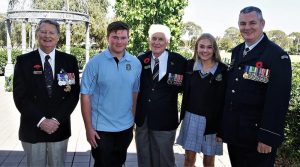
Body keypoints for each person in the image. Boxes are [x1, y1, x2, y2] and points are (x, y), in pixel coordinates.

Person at [221, 6, 292, 166]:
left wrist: (267, 137)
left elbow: (278, 101)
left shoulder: (276, 56)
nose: (247, 27)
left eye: (252, 23)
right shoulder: (237, 51)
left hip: (258, 137)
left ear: (262, 23)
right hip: (236, 134)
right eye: (242, 23)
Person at [13, 19, 80, 167]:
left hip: (59, 127)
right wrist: (41, 121)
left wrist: (55, 120)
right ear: (37, 35)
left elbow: (73, 94)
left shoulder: (69, 61)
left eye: (51, 32)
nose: (47, 36)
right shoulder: (24, 61)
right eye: (43, 32)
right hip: (33, 127)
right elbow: (20, 97)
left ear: (58, 36)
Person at [80, 21, 142, 167]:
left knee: (119, 163)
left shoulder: (135, 64)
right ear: (108, 37)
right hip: (101, 129)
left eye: (123, 37)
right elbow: (85, 96)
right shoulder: (94, 63)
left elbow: (135, 93)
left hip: (125, 128)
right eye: (115, 37)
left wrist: (132, 120)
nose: (119, 41)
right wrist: (88, 128)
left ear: (128, 39)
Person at [135, 24, 187, 167]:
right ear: (149, 40)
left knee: (164, 160)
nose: (157, 42)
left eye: (161, 39)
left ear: (167, 41)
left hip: (165, 121)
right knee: (144, 159)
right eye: (154, 38)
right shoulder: (140, 60)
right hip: (143, 120)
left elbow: (187, 87)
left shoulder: (179, 61)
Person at [176, 33, 227, 167]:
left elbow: (225, 102)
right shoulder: (189, 66)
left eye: (209, 47)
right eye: (202, 47)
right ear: (196, 48)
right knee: (189, 159)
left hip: (212, 122)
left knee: (209, 161)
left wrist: (222, 129)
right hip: (191, 117)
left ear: (214, 49)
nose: (205, 50)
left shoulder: (223, 70)